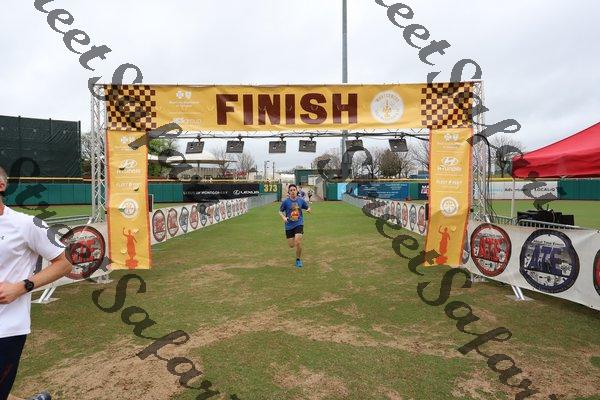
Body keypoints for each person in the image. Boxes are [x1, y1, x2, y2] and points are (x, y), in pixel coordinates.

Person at [0, 166, 72, 400]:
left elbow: (65, 262)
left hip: (7, 328)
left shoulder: (27, 224)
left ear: (1, 185)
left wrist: (21, 287)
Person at [279, 184, 311, 268]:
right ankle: (294, 237)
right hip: (289, 225)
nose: (293, 191)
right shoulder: (286, 202)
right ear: (289, 192)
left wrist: (308, 209)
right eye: (291, 190)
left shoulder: (301, 200)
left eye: (294, 190)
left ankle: (298, 260)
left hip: (299, 223)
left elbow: (307, 207)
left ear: (297, 191)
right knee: (291, 245)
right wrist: (284, 217)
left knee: (298, 242)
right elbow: (280, 211)